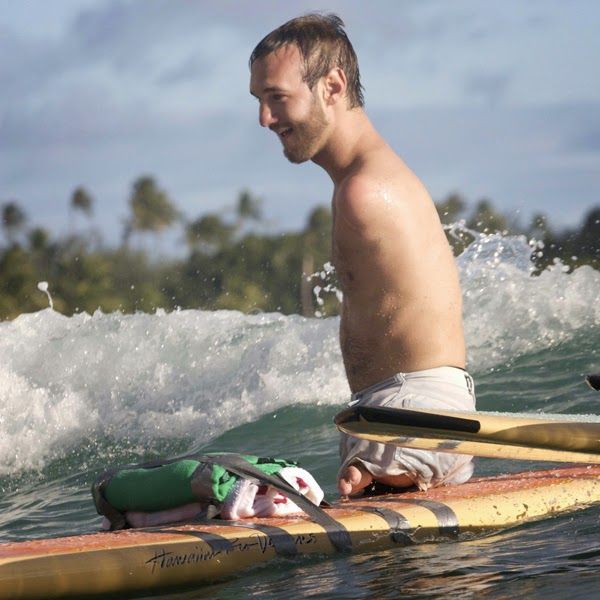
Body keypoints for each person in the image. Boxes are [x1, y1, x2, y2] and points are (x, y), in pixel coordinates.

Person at [249, 14, 476, 496]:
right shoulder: (368, 180)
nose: (265, 119)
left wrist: (400, 438)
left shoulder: (365, 192)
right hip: (411, 412)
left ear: (332, 85)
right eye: (260, 101)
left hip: (410, 415)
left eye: (277, 98)